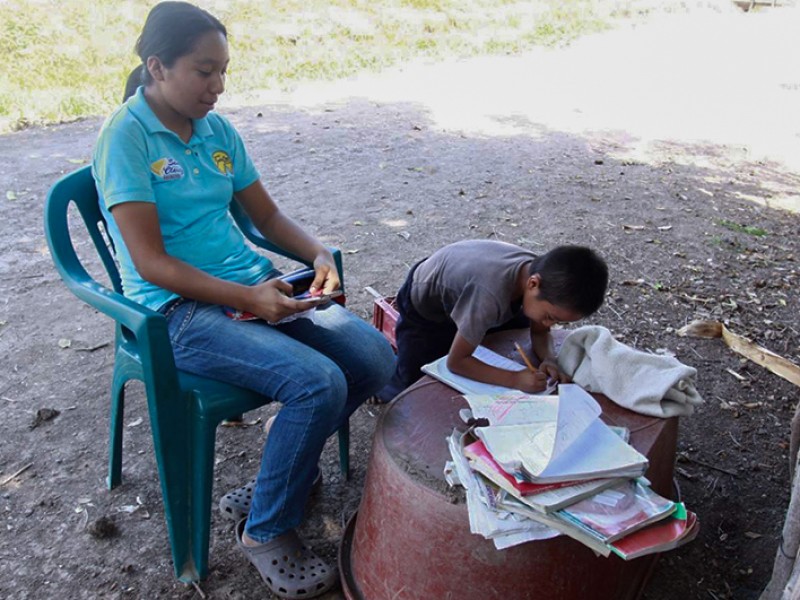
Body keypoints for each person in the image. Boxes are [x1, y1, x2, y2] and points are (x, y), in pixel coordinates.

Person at [92, 3, 394, 598]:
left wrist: (317, 255)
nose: (218, 86)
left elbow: (266, 214)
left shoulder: (216, 130)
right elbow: (151, 263)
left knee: (375, 359)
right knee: (317, 383)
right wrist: (249, 299)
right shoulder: (124, 139)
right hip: (175, 310)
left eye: (224, 70)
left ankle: (281, 475)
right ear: (157, 66)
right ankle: (267, 530)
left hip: (253, 284)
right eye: (205, 71)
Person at [376, 239, 608, 402]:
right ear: (533, 284)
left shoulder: (544, 281)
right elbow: (456, 362)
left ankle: (469, 335)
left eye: (557, 321)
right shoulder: (489, 296)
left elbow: (539, 333)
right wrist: (514, 379)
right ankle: (382, 389)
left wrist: (549, 359)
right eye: (549, 318)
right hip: (428, 305)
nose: (548, 325)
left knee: (506, 337)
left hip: (470, 291)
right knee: (414, 378)